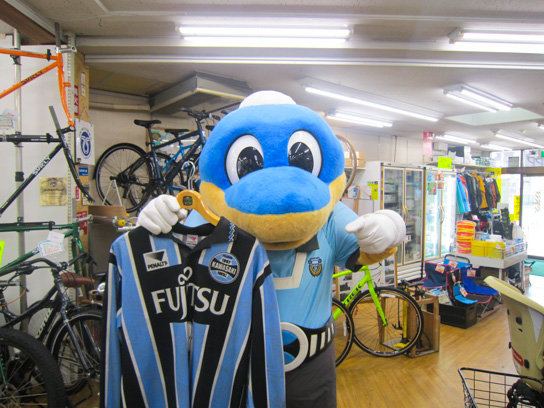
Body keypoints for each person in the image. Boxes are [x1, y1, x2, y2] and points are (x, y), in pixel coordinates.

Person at [137, 90, 406, 407]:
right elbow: (173, 259)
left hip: (311, 365)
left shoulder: (329, 215)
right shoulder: (211, 213)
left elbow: (366, 245)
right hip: (236, 363)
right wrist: (155, 228)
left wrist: (390, 226)